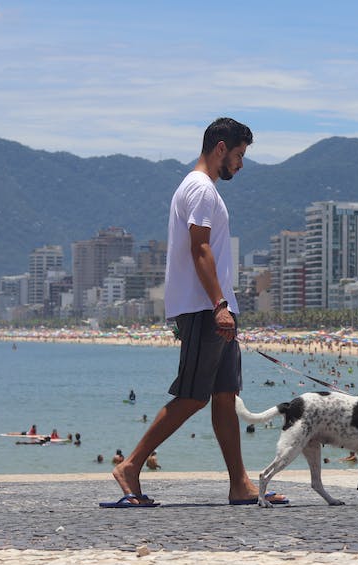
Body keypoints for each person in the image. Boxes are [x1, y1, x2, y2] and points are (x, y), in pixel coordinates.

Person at [109, 118, 285, 507]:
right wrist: (219, 305)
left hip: (215, 307)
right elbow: (200, 249)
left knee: (225, 395)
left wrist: (224, 306)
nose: (241, 164)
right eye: (239, 155)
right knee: (193, 395)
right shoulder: (200, 189)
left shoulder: (201, 189)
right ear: (220, 148)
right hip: (205, 308)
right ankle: (131, 465)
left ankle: (239, 484)